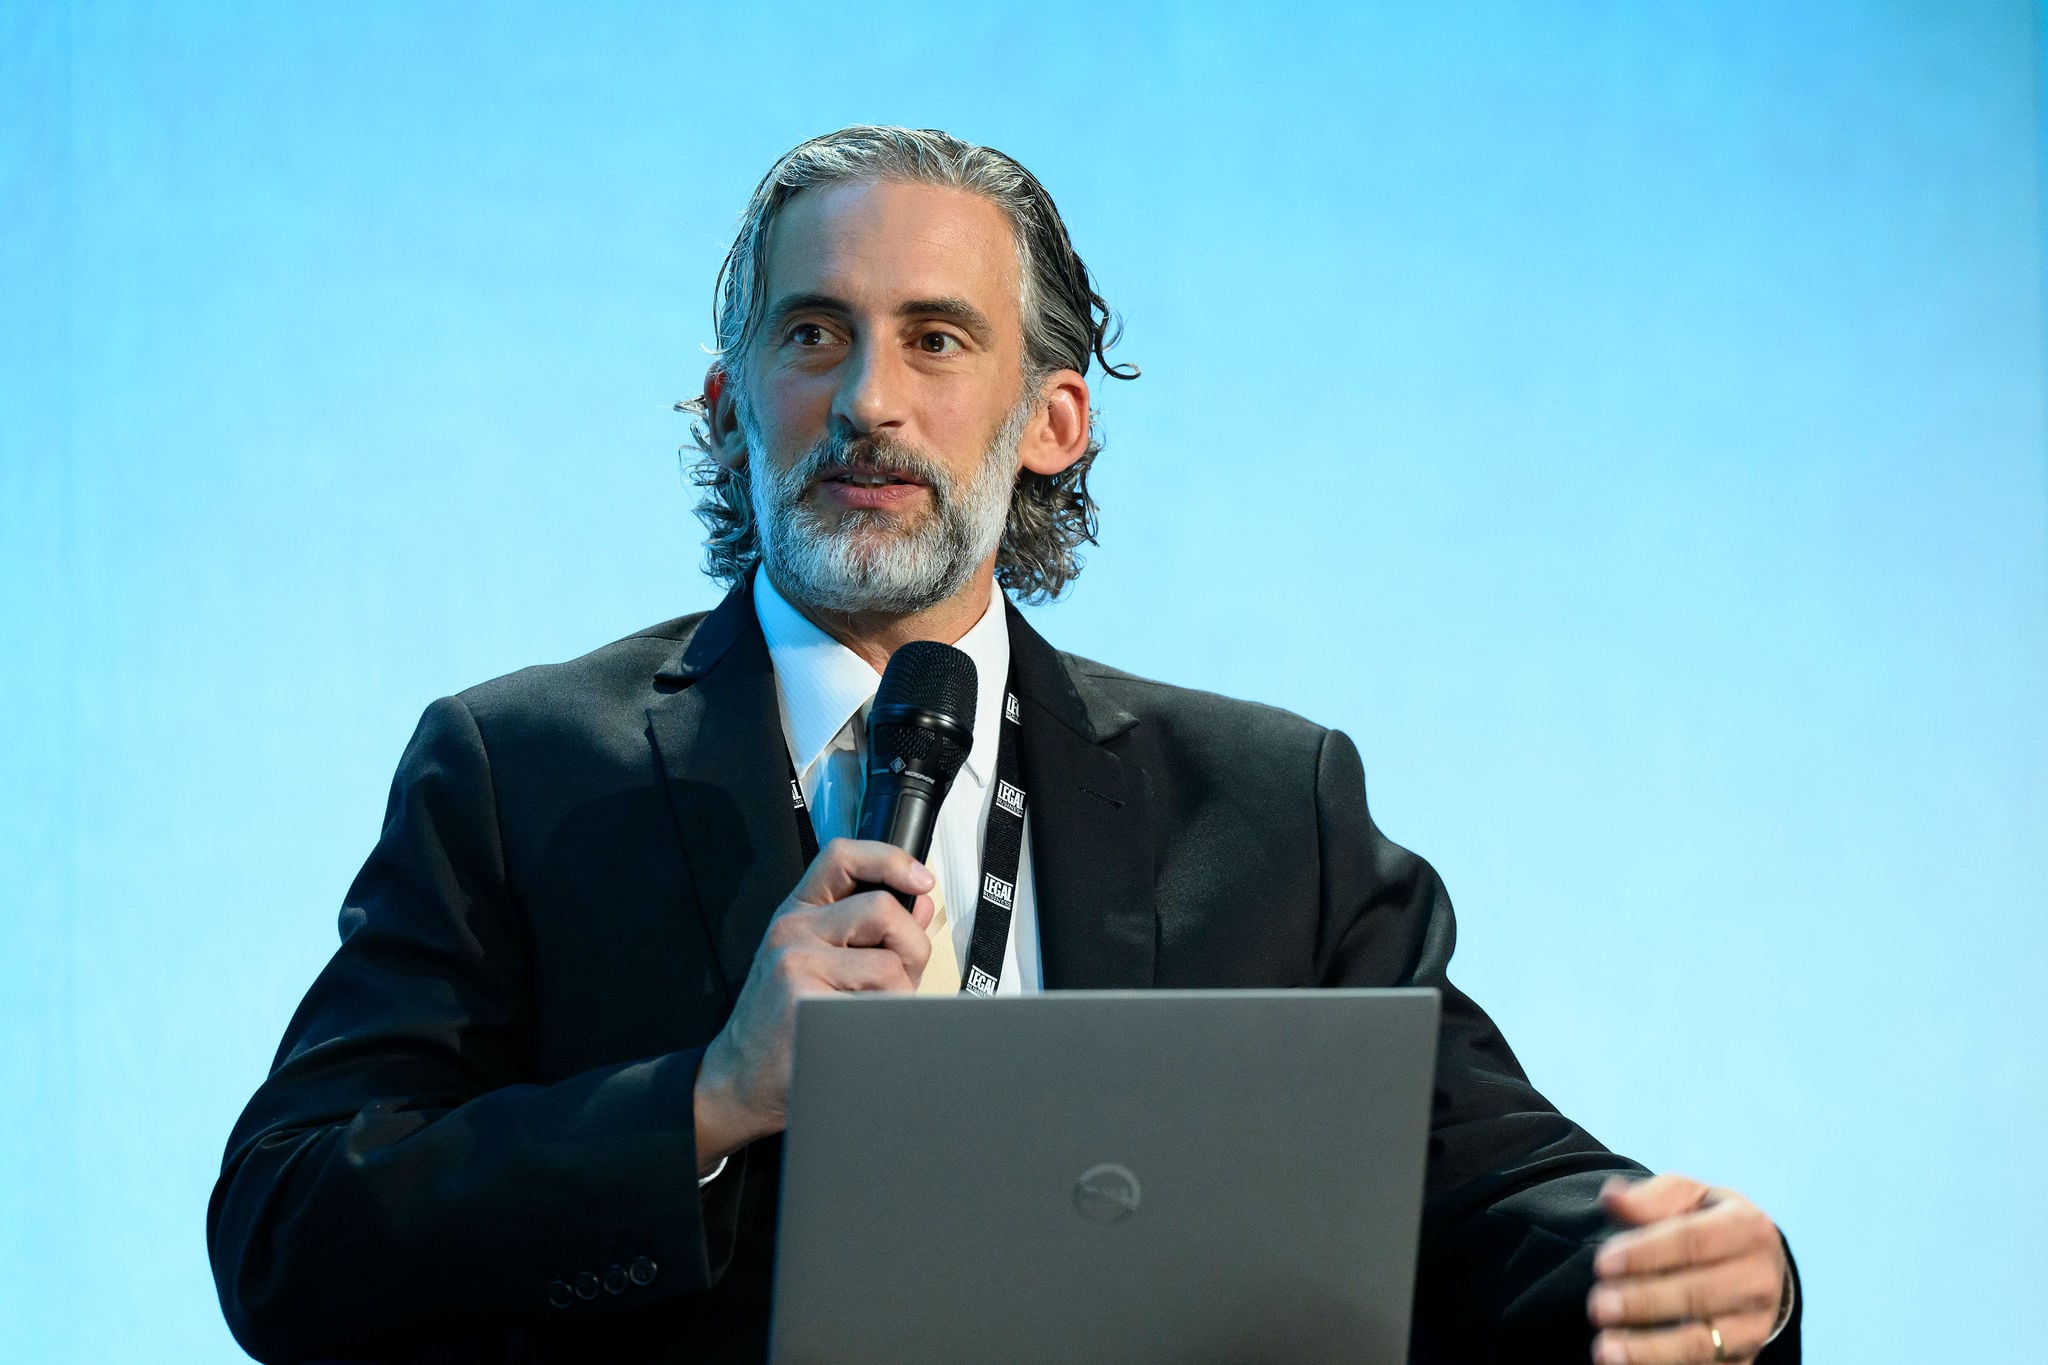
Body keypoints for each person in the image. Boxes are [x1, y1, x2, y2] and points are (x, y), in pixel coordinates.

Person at [208, 126, 1802, 1365]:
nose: (870, 400)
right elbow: (293, 1229)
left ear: (1052, 421)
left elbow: (1478, 1196)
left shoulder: (1270, 808)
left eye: (937, 339)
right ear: (729, 405)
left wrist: (1695, 1271)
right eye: (813, 334)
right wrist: (705, 1098)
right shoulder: (521, 771)